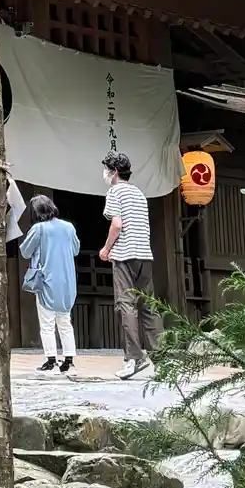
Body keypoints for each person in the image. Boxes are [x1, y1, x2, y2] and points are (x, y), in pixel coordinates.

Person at [99, 151, 162, 379]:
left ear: (114, 172)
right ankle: (160, 357)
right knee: (149, 306)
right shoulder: (139, 193)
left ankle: (134, 357)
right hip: (144, 255)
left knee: (126, 306)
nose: (105, 173)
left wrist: (106, 249)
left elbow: (117, 224)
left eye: (107, 169)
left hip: (124, 256)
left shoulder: (115, 192)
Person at [19, 193, 81, 374]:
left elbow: (25, 251)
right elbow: (75, 250)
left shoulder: (39, 229)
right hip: (67, 281)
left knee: (47, 323)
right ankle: (68, 362)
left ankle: (51, 361)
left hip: (47, 280)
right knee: (65, 322)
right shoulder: (69, 227)